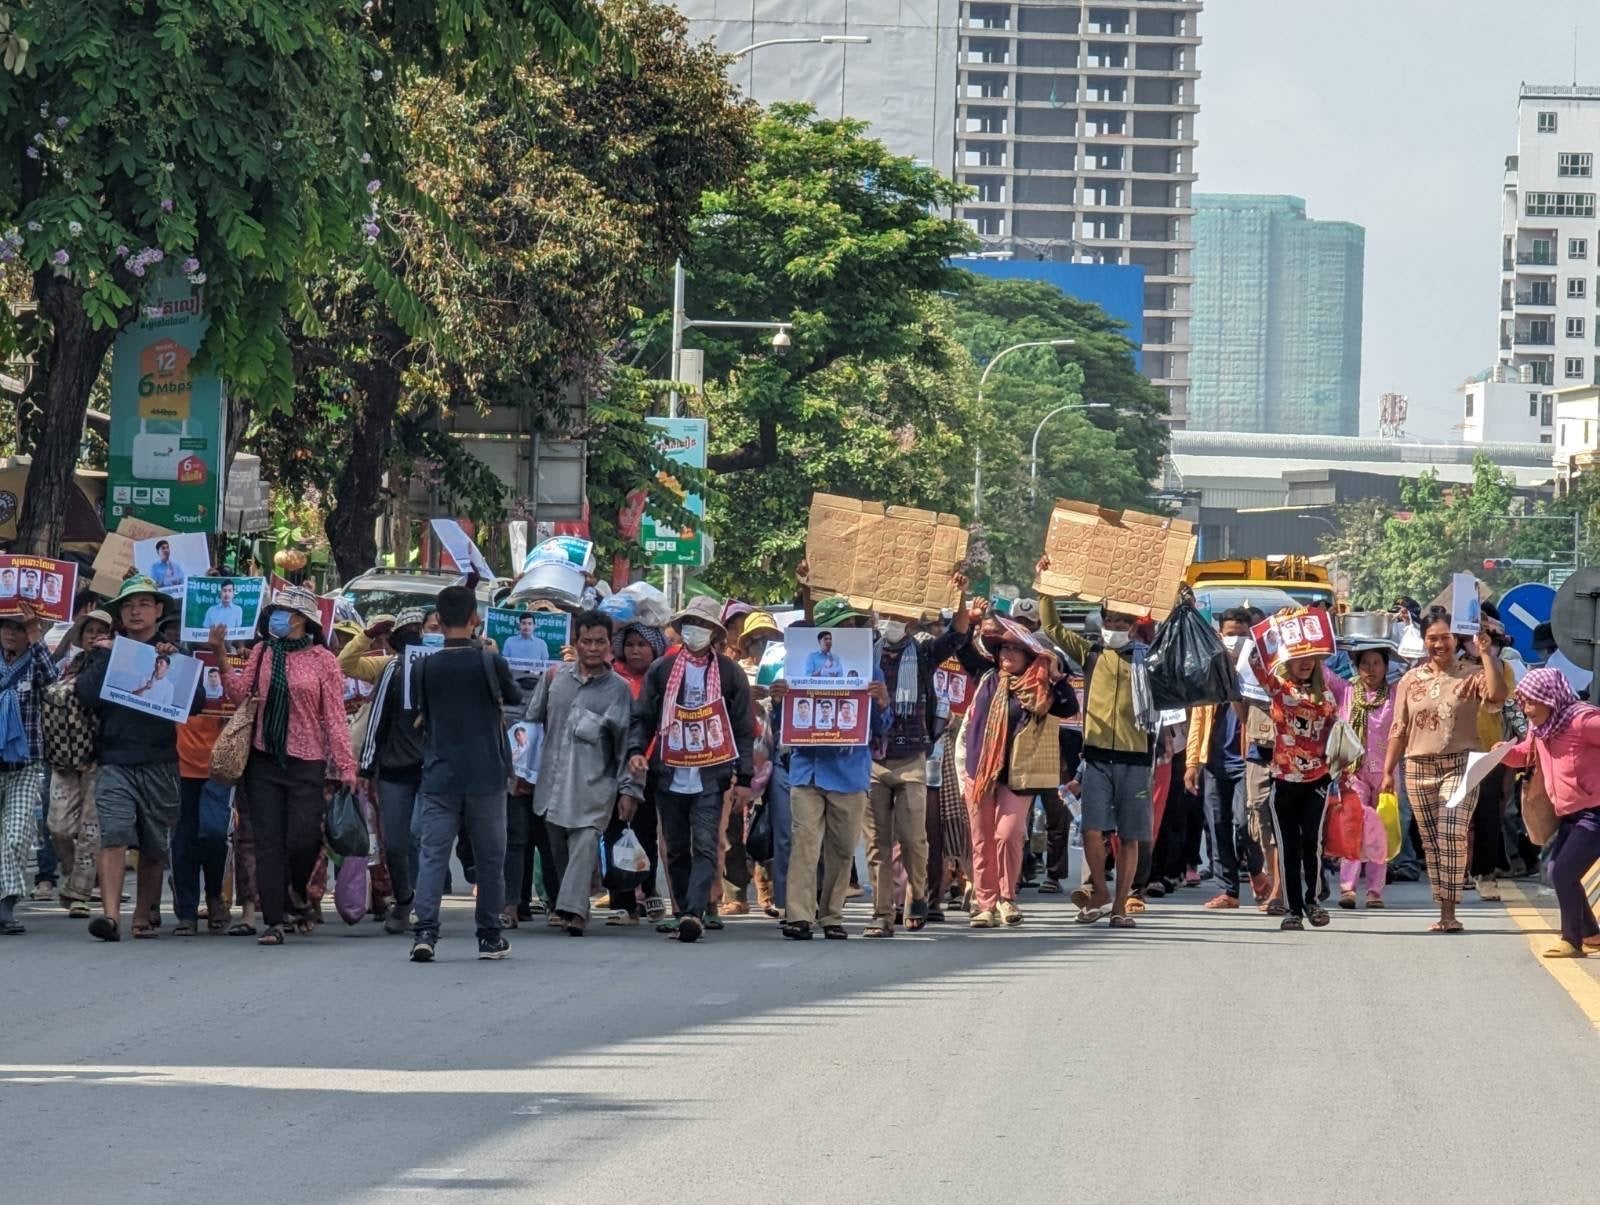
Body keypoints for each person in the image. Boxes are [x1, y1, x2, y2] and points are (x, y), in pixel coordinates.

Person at [210, 585, 355, 946]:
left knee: (304, 837)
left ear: (301, 619)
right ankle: (274, 920)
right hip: (263, 758)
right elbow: (241, 694)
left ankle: (295, 890)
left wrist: (347, 766)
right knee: (268, 841)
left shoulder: (324, 660)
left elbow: (335, 718)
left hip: (307, 760)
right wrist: (220, 654)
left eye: (284, 611)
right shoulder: (262, 652)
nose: (276, 616)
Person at [74, 576, 203, 941]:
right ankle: (111, 917)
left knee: (154, 844)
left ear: (158, 610)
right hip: (114, 759)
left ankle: (143, 915)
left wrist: (174, 663)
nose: (135, 611)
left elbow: (195, 705)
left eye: (144, 604)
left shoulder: (175, 653)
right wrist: (104, 656)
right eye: (129, 605)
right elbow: (84, 694)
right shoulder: (107, 650)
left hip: (160, 760)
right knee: (113, 836)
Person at [628, 597, 755, 943]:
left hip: (711, 775)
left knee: (705, 844)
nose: (695, 631)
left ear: (714, 633)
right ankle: (684, 908)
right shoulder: (663, 671)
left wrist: (743, 778)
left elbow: (744, 729)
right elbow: (644, 717)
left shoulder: (730, 674)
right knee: (676, 846)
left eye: (703, 625)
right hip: (669, 772)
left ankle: (694, 911)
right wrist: (637, 750)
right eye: (690, 624)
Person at [1037, 559, 1154, 929]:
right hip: (1098, 758)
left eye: (1122, 623)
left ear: (1134, 627)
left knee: (1130, 836)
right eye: (1109, 622)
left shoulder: (1149, 660)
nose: (1114, 629)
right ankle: (1100, 890)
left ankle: (1120, 905)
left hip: (1136, 759)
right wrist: (1046, 586)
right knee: (1092, 829)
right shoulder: (1091, 653)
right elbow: (1051, 626)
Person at [407, 585, 521, 961]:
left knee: (433, 856)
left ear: (437, 622)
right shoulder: (490, 662)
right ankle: (489, 935)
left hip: (440, 774)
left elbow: (421, 712)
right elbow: (514, 697)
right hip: (486, 774)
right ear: (475, 618)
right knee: (490, 858)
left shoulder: (423, 666)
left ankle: (425, 931)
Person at [1382, 608, 1506, 933]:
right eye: (1432, 638)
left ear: (1456, 638)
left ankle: (1450, 913)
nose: (1439, 644)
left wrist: (1487, 653)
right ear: (1424, 641)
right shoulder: (1410, 680)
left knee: (1452, 832)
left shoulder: (1472, 672)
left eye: (1445, 637)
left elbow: (1496, 696)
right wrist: (1387, 772)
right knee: (1432, 843)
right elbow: (1399, 727)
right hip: (1417, 768)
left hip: (1461, 765)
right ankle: (1444, 909)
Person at [774, 595, 891, 940]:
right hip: (807, 769)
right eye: (842, 625)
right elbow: (786, 724)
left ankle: (831, 915)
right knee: (805, 843)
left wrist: (882, 702)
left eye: (854, 624)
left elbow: (881, 727)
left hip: (849, 770)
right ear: (823, 632)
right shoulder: (799, 663)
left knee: (841, 849)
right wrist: (780, 700)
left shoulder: (870, 670)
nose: (849, 629)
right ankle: (798, 915)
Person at [960, 616, 1078, 929]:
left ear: (1029, 656)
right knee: (981, 839)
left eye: (1015, 650)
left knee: (1008, 834)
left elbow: (1069, 707)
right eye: (1003, 649)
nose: (1007, 655)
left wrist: (1056, 677)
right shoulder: (986, 677)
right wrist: (966, 615)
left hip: (1020, 775)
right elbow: (960, 646)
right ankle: (986, 903)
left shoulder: (1041, 689)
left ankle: (1007, 897)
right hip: (980, 772)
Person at [525, 611, 636, 936]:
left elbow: (626, 745)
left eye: (600, 641)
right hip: (552, 784)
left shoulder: (619, 689)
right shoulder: (554, 678)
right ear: (575, 642)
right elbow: (531, 722)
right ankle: (570, 903)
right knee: (560, 851)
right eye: (586, 641)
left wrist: (629, 790)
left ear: (608, 645)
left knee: (585, 843)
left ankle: (573, 911)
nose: (593, 648)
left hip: (594, 786)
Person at [864, 600, 971, 936]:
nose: (892, 623)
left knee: (914, 838)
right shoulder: (864, 653)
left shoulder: (924, 654)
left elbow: (958, 633)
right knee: (877, 844)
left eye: (899, 617)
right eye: (887, 616)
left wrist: (961, 596)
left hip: (912, 758)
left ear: (911, 621)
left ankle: (917, 895)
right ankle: (882, 914)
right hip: (872, 759)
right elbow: (819, 634)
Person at [1247, 625, 1349, 931]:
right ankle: (1293, 909)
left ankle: (1313, 901)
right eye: (1299, 656)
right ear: (1288, 659)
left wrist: (1338, 771)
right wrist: (1274, 631)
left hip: (1316, 780)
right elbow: (1254, 662)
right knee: (1287, 845)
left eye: (1311, 657)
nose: (1305, 662)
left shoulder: (1327, 694)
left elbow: (1337, 734)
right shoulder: (1278, 687)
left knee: (1311, 844)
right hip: (1283, 779)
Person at [343, 608, 435, 934]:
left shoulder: (440, 667)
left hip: (433, 768)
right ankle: (405, 898)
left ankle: (426, 907)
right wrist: (366, 765)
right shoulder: (390, 669)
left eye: (419, 631)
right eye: (406, 632)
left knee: (421, 835)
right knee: (395, 842)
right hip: (396, 769)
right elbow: (377, 718)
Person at [1499, 668, 1600, 957]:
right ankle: (1591, 933)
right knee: (1557, 870)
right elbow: (1524, 754)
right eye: (1524, 701)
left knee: (1565, 871)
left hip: (1595, 812)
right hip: (1570, 814)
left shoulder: (1583, 721)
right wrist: (1501, 753)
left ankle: (1571, 940)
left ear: (1550, 699)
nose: (1526, 709)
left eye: (1532, 702)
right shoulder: (1542, 728)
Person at [1185, 608, 1264, 910]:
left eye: (1242, 635)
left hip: (1249, 760)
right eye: (1231, 634)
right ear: (1220, 635)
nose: (1236, 640)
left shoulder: (1257, 671)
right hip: (1215, 761)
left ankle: (1257, 873)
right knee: (1218, 825)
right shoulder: (1210, 671)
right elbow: (1197, 720)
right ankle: (1228, 890)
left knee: (1246, 824)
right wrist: (1192, 762)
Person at [46, 607, 111, 918]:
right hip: (63, 758)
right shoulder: (67, 664)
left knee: (90, 830)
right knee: (57, 827)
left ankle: (79, 894)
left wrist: (104, 657)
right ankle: (74, 878)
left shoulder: (115, 664)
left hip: (100, 758)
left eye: (102, 630)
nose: (95, 635)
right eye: (90, 630)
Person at [0, 604, 58, 935]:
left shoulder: (35, 661)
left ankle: (6, 903)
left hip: (26, 763)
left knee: (17, 832)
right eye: (6, 625)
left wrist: (37, 634)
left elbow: (53, 681)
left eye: (18, 627)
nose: (10, 632)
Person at [1336, 641, 1397, 910]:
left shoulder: (1396, 694)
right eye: (1365, 664)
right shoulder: (1346, 692)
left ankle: (1374, 890)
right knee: (1353, 827)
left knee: (1378, 831)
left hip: (1386, 773)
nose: (1371, 669)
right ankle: (1348, 888)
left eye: (1377, 663)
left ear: (1386, 666)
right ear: (1357, 667)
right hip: (1353, 772)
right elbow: (1322, 673)